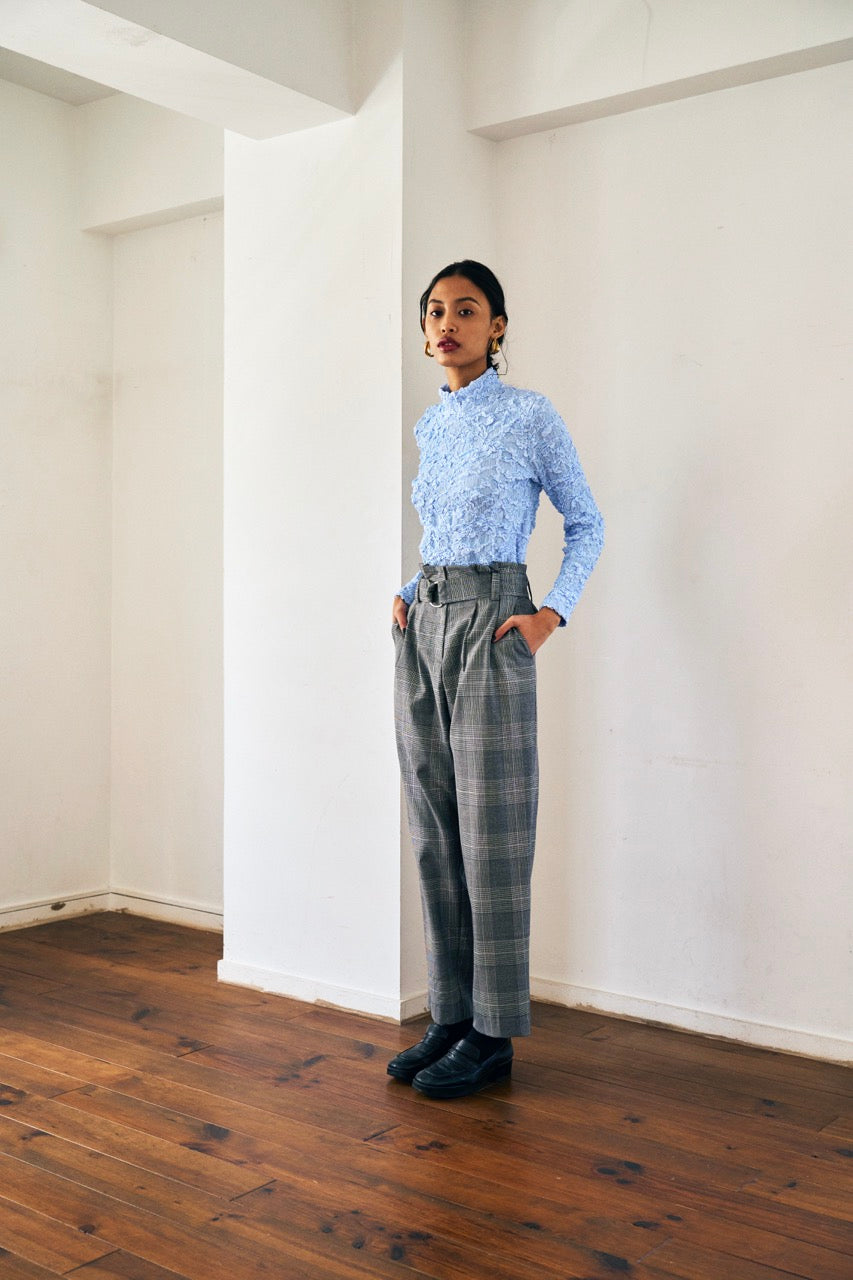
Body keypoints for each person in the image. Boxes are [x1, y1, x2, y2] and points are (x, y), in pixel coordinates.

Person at [388, 260, 603, 1099]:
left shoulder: (528, 416)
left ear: (498, 327)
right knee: (434, 829)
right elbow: (442, 531)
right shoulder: (430, 426)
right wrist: (408, 595)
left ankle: (492, 1031)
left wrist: (551, 613)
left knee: (493, 834)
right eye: (435, 312)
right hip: (424, 622)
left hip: (493, 627)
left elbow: (585, 520)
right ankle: (448, 1014)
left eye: (466, 310)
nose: (448, 324)